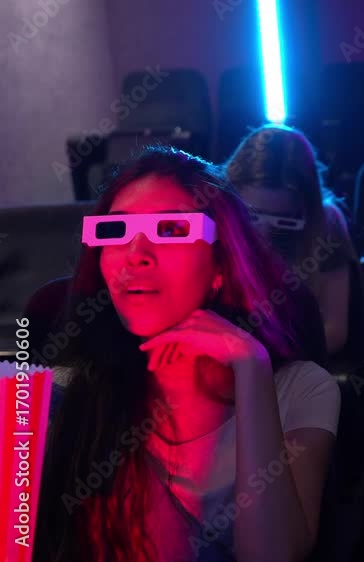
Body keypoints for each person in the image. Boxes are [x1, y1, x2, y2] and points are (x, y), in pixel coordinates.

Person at [36, 147, 340, 562]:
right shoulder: (59, 395)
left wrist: (252, 370)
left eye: (171, 230)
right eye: (116, 231)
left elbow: (272, 555)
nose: (136, 255)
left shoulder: (300, 388)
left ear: (220, 267)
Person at [225, 124, 364, 365]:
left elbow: (334, 332)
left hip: (297, 368)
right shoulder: (214, 218)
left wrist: (263, 359)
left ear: (305, 209)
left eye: (283, 220)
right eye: (252, 216)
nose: (265, 233)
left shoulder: (327, 224)